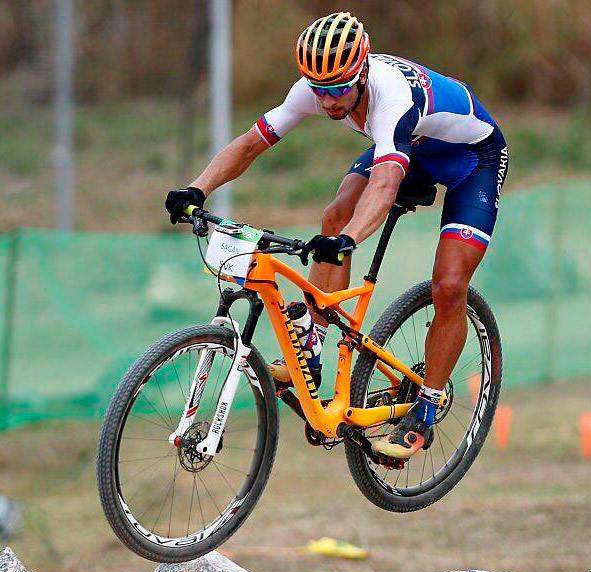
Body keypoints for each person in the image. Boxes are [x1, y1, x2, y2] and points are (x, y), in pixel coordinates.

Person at [165, 11, 509, 460]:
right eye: (319, 90)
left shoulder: (391, 98)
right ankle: (312, 344)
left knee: (448, 286)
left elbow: (385, 184)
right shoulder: (314, 89)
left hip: (472, 159)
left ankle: (428, 405)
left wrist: (348, 241)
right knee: (335, 214)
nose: (328, 102)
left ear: (362, 71)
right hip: (412, 145)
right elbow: (251, 143)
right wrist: (197, 187)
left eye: (339, 89)